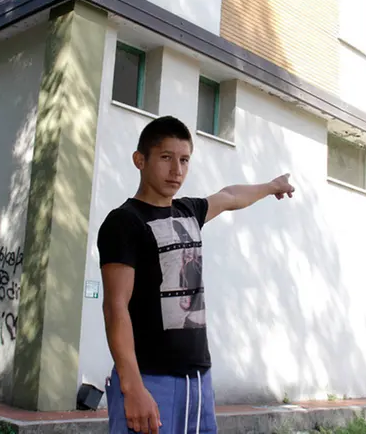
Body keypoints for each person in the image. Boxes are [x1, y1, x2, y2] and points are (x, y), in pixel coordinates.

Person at [97, 116, 295, 434]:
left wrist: (272, 187)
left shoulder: (189, 211)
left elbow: (230, 196)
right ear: (140, 160)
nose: (177, 170)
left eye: (184, 160)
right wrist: (132, 386)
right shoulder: (124, 222)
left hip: (197, 378)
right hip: (150, 378)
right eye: (166, 158)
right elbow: (115, 306)